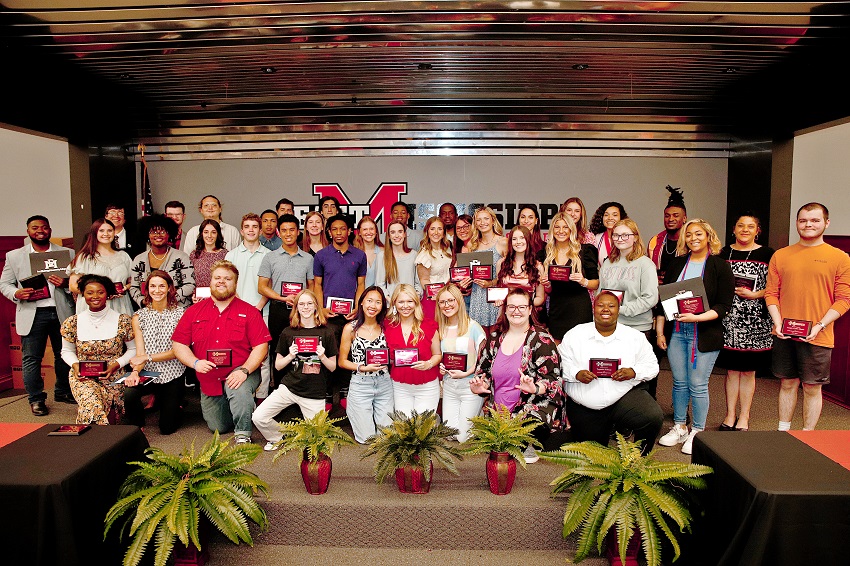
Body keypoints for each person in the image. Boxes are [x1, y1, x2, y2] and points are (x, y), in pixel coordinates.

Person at [765, 202, 850, 431]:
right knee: (787, 383)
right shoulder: (781, 256)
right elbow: (771, 293)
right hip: (783, 334)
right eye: (803, 220)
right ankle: (783, 432)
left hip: (818, 335)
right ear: (796, 223)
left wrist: (820, 325)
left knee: (812, 387)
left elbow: (844, 300)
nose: (808, 224)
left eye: (814, 220)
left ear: (826, 223)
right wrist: (778, 322)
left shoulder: (840, 258)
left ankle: (808, 437)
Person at [656, 219, 734, 454]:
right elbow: (664, 301)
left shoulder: (720, 266)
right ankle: (680, 426)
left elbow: (724, 305)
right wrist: (660, 331)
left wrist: (697, 318)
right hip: (677, 332)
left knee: (698, 385)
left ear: (709, 235)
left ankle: (697, 431)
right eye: (689, 235)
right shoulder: (676, 263)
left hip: (705, 333)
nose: (693, 238)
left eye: (698, 234)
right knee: (679, 383)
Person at [172, 261, 271, 444]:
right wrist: (195, 363)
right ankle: (235, 408)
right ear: (210, 281)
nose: (221, 281)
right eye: (217, 278)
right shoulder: (193, 312)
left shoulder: (249, 312)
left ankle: (243, 433)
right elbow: (179, 344)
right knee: (218, 426)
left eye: (227, 278)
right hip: (210, 378)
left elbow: (261, 346)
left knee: (238, 389)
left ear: (235, 283)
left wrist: (245, 370)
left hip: (241, 371)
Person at [560, 290, 662, 455]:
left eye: (611, 306)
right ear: (593, 309)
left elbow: (652, 366)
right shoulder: (575, 334)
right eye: (600, 305)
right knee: (593, 459)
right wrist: (576, 374)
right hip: (585, 403)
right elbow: (559, 363)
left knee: (651, 417)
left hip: (623, 397)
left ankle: (638, 461)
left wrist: (633, 372)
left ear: (618, 309)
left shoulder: (635, 337)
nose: (605, 309)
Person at [470, 288, 563, 464]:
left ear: (530, 310)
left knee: (508, 452)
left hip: (531, 409)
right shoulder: (494, 338)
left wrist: (535, 387)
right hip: (499, 411)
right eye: (511, 307)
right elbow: (483, 372)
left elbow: (554, 380)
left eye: (521, 307)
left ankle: (529, 442)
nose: (516, 311)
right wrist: (481, 387)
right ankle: (507, 435)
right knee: (498, 451)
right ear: (505, 310)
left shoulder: (542, 340)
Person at [0, 215, 76, 415]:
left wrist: (67, 284)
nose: (40, 230)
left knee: (64, 355)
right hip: (33, 312)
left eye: (44, 227)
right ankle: (36, 399)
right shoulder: (15, 256)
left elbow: (78, 282)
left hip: (62, 311)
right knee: (32, 358)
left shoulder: (67, 253)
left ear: (50, 230)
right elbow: (4, 284)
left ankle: (62, 391)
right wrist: (16, 293)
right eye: (35, 227)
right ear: (28, 231)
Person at [253, 289, 338, 451]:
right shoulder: (288, 332)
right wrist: (290, 355)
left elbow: (333, 367)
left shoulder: (327, 332)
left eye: (309, 303)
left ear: (316, 306)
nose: (305, 307)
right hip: (289, 388)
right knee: (258, 417)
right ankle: (277, 437)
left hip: (314, 392)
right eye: (301, 304)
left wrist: (322, 356)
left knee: (316, 441)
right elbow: (278, 365)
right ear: (296, 307)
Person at [716, 213, 775, 431]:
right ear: (734, 228)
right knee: (731, 371)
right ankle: (730, 415)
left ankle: (745, 417)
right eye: (741, 225)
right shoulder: (722, 253)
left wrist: (756, 294)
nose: (745, 230)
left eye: (751, 226)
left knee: (749, 371)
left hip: (756, 322)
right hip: (728, 320)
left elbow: (776, 286)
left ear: (758, 230)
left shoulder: (768, 254)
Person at [60, 274, 136, 425]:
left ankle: (93, 436)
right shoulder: (72, 322)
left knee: (106, 412)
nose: (95, 296)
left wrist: (116, 364)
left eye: (100, 292)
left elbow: (133, 350)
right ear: (83, 294)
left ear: (108, 294)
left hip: (113, 374)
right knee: (91, 402)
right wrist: (76, 366)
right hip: (82, 375)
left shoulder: (123, 320)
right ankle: (96, 440)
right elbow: (66, 351)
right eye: (89, 292)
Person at [598, 218, 659, 397]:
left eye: (625, 234)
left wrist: (620, 310)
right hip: (612, 328)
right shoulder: (608, 263)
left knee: (637, 377)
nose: (620, 238)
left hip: (637, 329)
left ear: (635, 237)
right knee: (613, 375)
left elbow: (650, 298)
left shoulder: (645, 264)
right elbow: (601, 294)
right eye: (616, 235)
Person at [313, 214, 367, 409]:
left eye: (342, 229)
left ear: (350, 231)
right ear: (329, 232)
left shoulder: (360, 255)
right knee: (327, 353)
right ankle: (327, 395)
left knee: (350, 353)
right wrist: (322, 309)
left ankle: (345, 394)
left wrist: (358, 307)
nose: (338, 232)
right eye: (334, 229)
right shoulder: (321, 256)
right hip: (329, 315)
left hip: (350, 316)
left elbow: (361, 284)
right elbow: (317, 285)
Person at [124, 270, 186, 434]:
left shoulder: (181, 314)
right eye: (152, 286)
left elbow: (179, 352)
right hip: (150, 373)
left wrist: (148, 357)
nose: (157, 290)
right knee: (129, 392)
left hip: (173, 372)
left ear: (169, 288)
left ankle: (175, 403)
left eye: (161, 286)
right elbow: (140, 353)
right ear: (147, 289)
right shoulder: (139, 316)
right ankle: (137, 426)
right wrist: (135, 373)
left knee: (167, 428)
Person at [257, 213, 315, 389]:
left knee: (303, 349)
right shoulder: (270, 257)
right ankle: (279, 390)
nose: (288, 234)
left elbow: (312, 285)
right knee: (278, 350)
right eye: (284, 230)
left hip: (302, 311)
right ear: (278, 232)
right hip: (278, 309)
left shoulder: (308, 258)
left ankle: (302, 389)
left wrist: (303, 302)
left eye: (292, 230)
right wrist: (282, 297)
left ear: (298, 232)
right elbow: (262, 287)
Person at [338, 286, 393, 443]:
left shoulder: (387, 327)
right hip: (360, 384)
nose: (372, 306)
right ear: (361, 302)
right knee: (367, 439)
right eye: (369, 301)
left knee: (387, 438)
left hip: (384, 384)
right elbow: (342, 362)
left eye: (378, 302)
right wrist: (362, 367)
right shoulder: (350, 328)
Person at [226, 213, 272, 399]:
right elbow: (228, 284)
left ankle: (262, 397)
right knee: (240, 354)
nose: (251, 230)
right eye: (247, 227)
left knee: (263, 356)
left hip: (263, 311)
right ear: (241, 230)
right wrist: (245, 309)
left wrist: (258, 306)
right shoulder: (232, 255)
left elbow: (270, 286)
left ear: (260, 231)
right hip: (237, 312)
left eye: (255, 226)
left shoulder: (269, 256)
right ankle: (243, 396)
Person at [436, 284, 486, 442]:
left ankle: (481, 416)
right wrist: (441, 365)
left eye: (451, 300)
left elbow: (484, 359)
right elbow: (438, 355)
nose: (447, 305)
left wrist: (467, 372)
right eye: (442, 302)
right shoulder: (440, 329)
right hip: (450, 386)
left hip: (470, 387)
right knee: (450, 434)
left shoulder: (474, 327)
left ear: (459, 301)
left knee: (463, 438)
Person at [384, 284, 442, 414]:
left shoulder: (429, 325)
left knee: (423, 429)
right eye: (401, 302)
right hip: (399, 387)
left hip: (426, 386)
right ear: (394, 303)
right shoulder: (388, 326)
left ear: (416, 303)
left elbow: (438, 354)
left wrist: (429, 364)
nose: (405, 306)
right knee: (404, 429)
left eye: (410, 301)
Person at [543, 212, 599, 342]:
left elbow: (595, 283)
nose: (561, 231)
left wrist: (583, 281)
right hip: (557, 308)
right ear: (552, 230)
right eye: (557, 227)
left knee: (580, 348)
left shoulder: (585, 251)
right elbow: (549, 291)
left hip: (579, 307)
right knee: (558, 348)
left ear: (571, 229)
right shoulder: (546, 253)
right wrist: (547, 285)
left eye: (565, 227)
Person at [68, 218, 134, 315]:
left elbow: (132, 281)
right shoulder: (85, 257)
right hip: (92, 307)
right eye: (101, 230)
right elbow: (73, 286)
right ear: (94, 233)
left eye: (110, 230)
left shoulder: (124, 256)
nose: (106, 234)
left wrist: (125, 288)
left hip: (120, 305)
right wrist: (98, 294)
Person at [129, 214, 194, 309]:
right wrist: (143, 301)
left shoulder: (181, 257)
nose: (158, 235)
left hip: (178, 309)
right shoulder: (139, 259)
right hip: (149, 310)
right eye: (153, 231)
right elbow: (134, 287)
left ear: (169, 234)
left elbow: (190, 284)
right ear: (147, 234)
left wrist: (168, 300)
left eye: (162, 231)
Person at [465, 206, 509, 333]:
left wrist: (491, 283)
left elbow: (508, 273)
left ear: (493, 221)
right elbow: (469, 271)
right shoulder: (472, 244)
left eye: (486, 218)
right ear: (475, 224)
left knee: (496, 334)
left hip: (495, 296)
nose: (482, 222)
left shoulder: (503, 242)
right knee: (479, 336)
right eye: (478, 220)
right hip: (477, 295)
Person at [495, 225, 545, 308]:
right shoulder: (501, 263)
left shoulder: (537, 266)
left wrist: (524, 305)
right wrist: (498, 300)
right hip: (506, 313)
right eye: (514, 239)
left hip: (527, 315)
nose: (518, 242)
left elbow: (540, 298)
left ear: (528, 240)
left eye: (522, 238)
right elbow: (498, 293)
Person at [647, 186, 687, 284]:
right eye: (667, 216)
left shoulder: (690, 241)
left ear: (684, 218)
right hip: (660, 292)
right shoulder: (655, 241)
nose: (671, 219)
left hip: (682, 290)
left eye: (676, 215)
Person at [415, 216, 453, 320]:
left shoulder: (448, 248)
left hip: (449, 297)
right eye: (432, 229)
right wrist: (437, 295)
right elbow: (424, 280)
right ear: (427, 231)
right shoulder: (424, 254)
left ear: (444, 232)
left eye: (440, 229)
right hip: (433, 300)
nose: (436, 232)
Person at [375, 220, 421, 299]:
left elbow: (418, 283)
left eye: (400, 232)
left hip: (410, 305)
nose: (397, 235)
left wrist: (415, 297)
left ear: (405, 234)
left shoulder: (414, 255)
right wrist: (391, 302)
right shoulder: (382, 256)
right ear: (388, 236)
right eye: (393, 232)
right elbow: (380, 285)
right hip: (390, 306)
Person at [189, 219, 229, 298]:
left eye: (213, 232)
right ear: (201, 234)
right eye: (206, 232)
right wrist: (193, 295)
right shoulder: (194, 255)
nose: (209, 235)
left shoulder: (225, 254)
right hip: (199, 300)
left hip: (219, 298)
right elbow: (190, 279)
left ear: (218, 234)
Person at [590, 201, 629, 268]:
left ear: (621, 218)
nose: (610, 218)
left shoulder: (628, 237)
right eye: (606, 215)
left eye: (615, 215)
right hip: (604, 277)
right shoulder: (597, 238)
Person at [353, 215, 384, 288]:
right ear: (359, 232)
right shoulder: (353, 253)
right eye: (365, 229)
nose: (368, 232)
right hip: (359, 296)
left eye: (371, 229)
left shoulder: (384, 252)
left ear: (376, 231)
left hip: (379, 296)